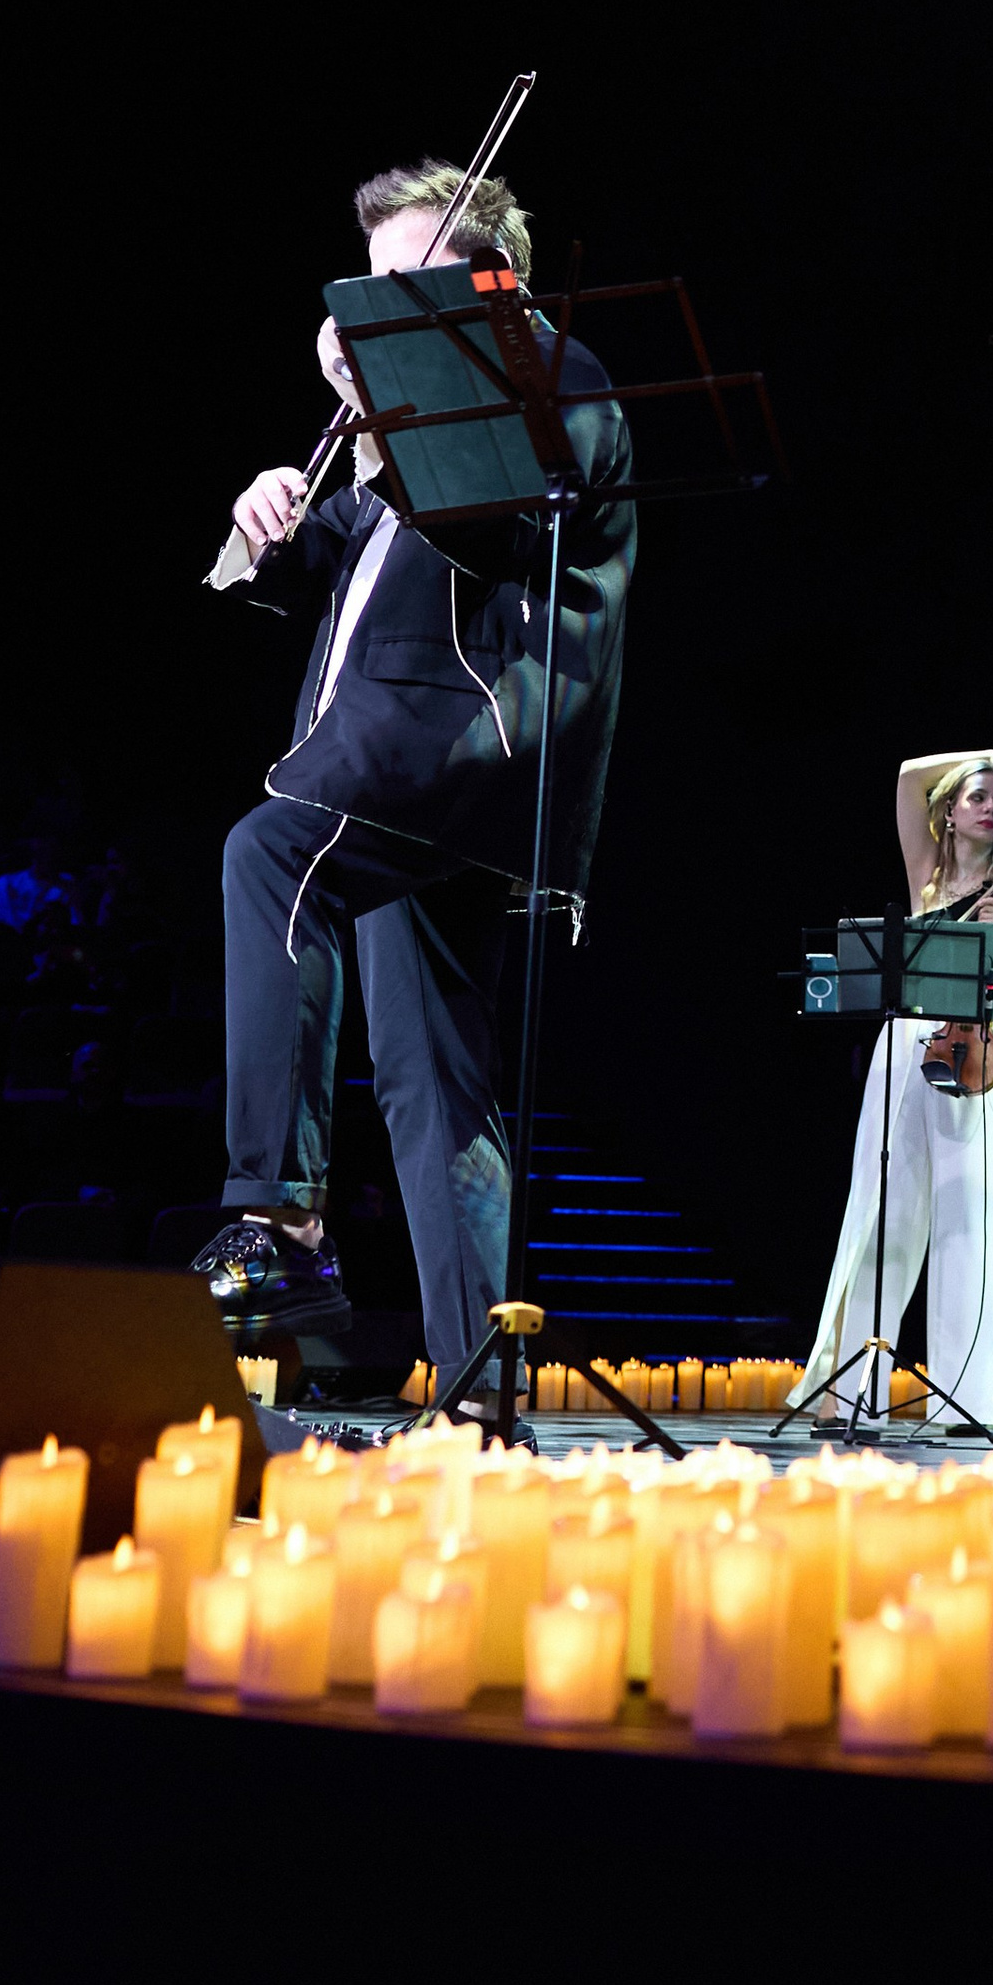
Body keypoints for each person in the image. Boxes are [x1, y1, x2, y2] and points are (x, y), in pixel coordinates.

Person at [190, 156, 635, 1389]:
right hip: (392, 763)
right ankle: (479, 1380)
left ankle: (279, 1217)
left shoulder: (549, 374)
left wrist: (384, 405)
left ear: (489, 276)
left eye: (402, 279)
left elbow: (497, 527)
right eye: (365, 282)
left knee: (269, 855)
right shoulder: (414, 415)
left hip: (455, 744)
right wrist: (263, 519)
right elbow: (328, 558)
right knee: (433, 1081)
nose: (368, 308)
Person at [800, 750, 993, 1434]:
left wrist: (992, 945)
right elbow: (908, 775)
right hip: (906, 1050)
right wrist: (989, 756)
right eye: (977, 797)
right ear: (950, 812)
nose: (991, 808)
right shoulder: (927, 876)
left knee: (972, 1229)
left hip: (976, 1060)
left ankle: (969, 1401)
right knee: (882, 1218)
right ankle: (852, 1395)